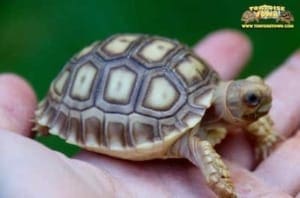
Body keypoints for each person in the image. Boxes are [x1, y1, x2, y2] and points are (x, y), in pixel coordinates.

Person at [0, 29, 299, 197]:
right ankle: (52, 116)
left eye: (256, 95)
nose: (259, 104)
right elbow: (214, 174)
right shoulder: (194, 139)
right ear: (231, 101)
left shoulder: (213, 109)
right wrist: (226, 188)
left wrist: (264, 134)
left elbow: (250, 121)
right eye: (251, 100)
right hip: (91, 82)